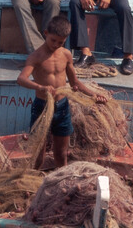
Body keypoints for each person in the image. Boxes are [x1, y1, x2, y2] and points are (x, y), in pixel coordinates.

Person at [17, 15, 108, 169]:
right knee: (38, 155)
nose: (56, 44)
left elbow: (74, 83)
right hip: (42, 108)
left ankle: (61, 183)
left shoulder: (66, 54)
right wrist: (40, 88)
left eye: (61, 42)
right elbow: (21, 79)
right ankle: (34, 181)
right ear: (45, 33)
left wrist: (94, 95)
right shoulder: (35, 57)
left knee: (61, 153)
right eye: (53, 40)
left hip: (62, 107)